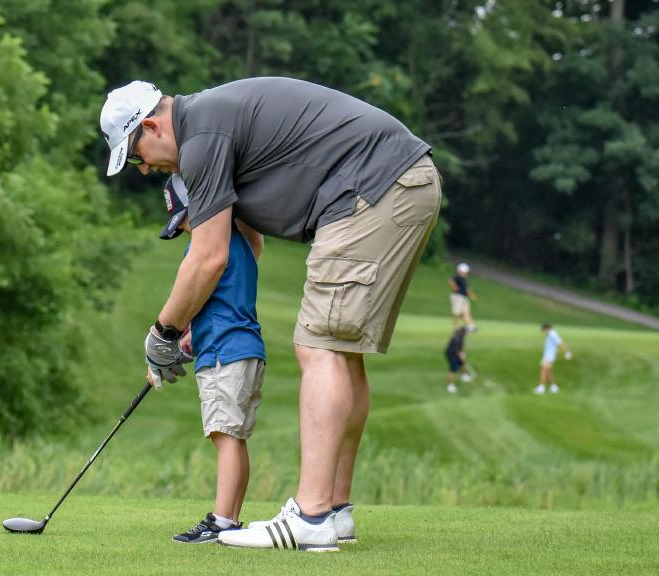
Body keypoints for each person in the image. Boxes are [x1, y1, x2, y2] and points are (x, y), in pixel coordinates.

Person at [101, 77, 441, 552]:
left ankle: (311, 515)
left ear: (153, 126)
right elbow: (249, 242)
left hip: (372, 188)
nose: (143, 169)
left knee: (319, 346)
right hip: (400, 181)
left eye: (136, 156)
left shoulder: (201, 138)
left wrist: (163, 333)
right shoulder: (208, 125)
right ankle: (334, 510)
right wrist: (195, 318)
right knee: (341, 351)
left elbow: (208, 256)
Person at [154, 176, 266, 545]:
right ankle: (230, 521)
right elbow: (218, 303)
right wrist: (192, 338)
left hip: (223, 354)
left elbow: (190, 299)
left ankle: (221, 522)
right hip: (247, 349)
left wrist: (167, 341)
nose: (187, 230)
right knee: (235, 437)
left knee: (224, 436)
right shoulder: (241, 244)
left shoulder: (205, 249)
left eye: (186, 219)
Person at [536, 323, 572, 394]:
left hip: (549, 357)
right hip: (547, 356)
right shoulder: (550, 334)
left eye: (543, 330)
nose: (543, 332)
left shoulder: (553, 334)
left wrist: (567, 352)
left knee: (543, 371)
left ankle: (541, 388)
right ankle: (554, 387)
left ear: (547, 329)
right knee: (548, 371)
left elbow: (561, 343)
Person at [448, 262, 477, 332]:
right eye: (464, 271)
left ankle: (470, 326)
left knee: (466, 312)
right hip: (457, 296)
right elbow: (450, 281)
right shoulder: (457, 277)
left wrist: (471, 295)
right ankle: (455, 327)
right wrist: (454, 287)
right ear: (460, 270)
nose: (466, 272)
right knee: (457, 312)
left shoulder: (464, 279)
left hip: (464, 297)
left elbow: (466, 289)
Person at [444, 327, 468, 394]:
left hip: (456, 353)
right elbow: (456, 351)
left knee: (462, 363)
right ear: (463, 333)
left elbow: (461, 346)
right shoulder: (456, 339)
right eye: (466, 333)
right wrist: (461, 357)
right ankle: (451, 386)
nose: (467, 334)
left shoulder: (461, 337)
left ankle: (464, 376)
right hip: (451, 354)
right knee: (453, 369)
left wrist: (463, 353)